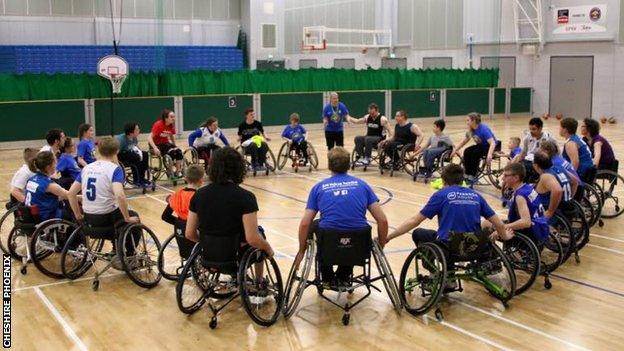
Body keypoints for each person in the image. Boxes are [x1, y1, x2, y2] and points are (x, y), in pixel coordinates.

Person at [296, 147, 388, 286]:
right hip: (358, 244)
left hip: (329, 242)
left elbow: (304, 224)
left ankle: (327, 277)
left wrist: (301, 251)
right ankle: (343, 276)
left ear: (329, 165)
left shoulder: (319, 187)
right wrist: (381, 245)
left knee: (315, 224)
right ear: (349, 164)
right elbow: (382, 220)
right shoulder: (363, 185)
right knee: (352, 231)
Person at [185, 146, 274, 261]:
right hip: (235, 255)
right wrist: (268, 248)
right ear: (239, 168)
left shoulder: (198, 194)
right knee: (259, 233)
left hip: (209, 254)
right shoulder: (246, 197)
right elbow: (252, 238)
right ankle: (260, 279)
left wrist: (210, 244)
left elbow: (189, 233)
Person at [386, 164, 508, 246]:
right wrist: (505, 237)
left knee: (418, 233)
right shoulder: (476, 195)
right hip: (473, 244)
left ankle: (434, 272)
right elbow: (499, 224)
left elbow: (414, 221)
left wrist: (390, 236)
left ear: (443, 181)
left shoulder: (441, 195)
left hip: (450, 245)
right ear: (462, 180)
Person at [67, 137, 140, 267]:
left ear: (98, 150)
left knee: (117, 213)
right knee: (133, 217)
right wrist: (127, 217)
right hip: (107, 218)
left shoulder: (86, 168)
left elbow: (71, 193)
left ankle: (115, 250)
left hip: (89, 217)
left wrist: (78, 215)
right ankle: (129, 256)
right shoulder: (114, 169)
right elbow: (120, 195)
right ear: (116, 151)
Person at [161, 165, 205, 256]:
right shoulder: (199, 197)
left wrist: (180, 223)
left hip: (179, 231)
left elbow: (165, 216)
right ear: (201, 181)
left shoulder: (176, 195)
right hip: (194, 234)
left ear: (186, 179)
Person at [501, 163, 548, 241]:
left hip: (526, 234)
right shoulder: (528, 187)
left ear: (516, 177)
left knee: (486, 224)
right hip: (538, 227)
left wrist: (504, 228)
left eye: (506, 176)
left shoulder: (520, 196)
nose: (503, 178)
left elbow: (526, 222)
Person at [24, 151, 70, 221]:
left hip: (32, 215)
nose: (56, 165)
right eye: (55, 162)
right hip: (46, 217)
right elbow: (70, 195)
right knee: (72, 214)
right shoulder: (49, 185)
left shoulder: (31, 180)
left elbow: (42, 198)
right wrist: (83, 198)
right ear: (49, 167)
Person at [452, 112, 498, 182]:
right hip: (481, 145)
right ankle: (467, 173)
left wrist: (489, 155)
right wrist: (455, 150)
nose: (467, 122)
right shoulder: (471, 129)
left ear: (473, 121)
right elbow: (464, 141)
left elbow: (492, 143)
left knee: (475, 153)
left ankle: (473, 175)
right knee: (467, 151)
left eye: (468, 120)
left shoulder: (483, 129)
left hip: (489, 146)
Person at [532, 151, 573, 219]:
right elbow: (574, 181)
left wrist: (550, 211)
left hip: (549, 207)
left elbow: (558, 190)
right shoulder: (559, 168)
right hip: (567, 204)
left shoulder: (546, 176)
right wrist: (569, 196)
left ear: (535, 165)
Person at [511, 118, 554, 183]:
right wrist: (516, 163)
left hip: (541, 161)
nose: (531, 131)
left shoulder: (548, 138)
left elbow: (554, 152)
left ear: (540, 128)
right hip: (528, 160)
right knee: (518, 168)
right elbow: (524, 152)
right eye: (530, 129)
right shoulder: (527, 138)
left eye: (534, 129)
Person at [149, 108, 184, 179]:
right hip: (156, 145)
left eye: (174, 116)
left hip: (165, 143)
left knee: (179, 151)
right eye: (171, 117)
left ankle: (177, 171)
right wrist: (155, 148)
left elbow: (171, 135)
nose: (173, 118)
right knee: (172, 152)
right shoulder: (158, 125)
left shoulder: (171, 125)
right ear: (166, 118)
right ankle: (170, 170)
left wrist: (174, 145)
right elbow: (149, 138)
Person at [559, 117, 594, 183]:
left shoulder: (570, 143)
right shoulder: (575, 138)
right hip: (587, 169)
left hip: (582, 172)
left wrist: (570, 178)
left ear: (565, 129)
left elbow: (575, 162)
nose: (559, 129)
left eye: (560, 127)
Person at [116, 122, 150, 186]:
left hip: (129, 154)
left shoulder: (134, 137)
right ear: (131, 132)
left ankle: (142, 178)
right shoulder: (121, 140)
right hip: (120, 157)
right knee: (135, 156)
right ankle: (136, 180)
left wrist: (142, 155)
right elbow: (114, 153)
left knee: (144, 154)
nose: (139, 130)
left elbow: (137, 148)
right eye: (137, 129)